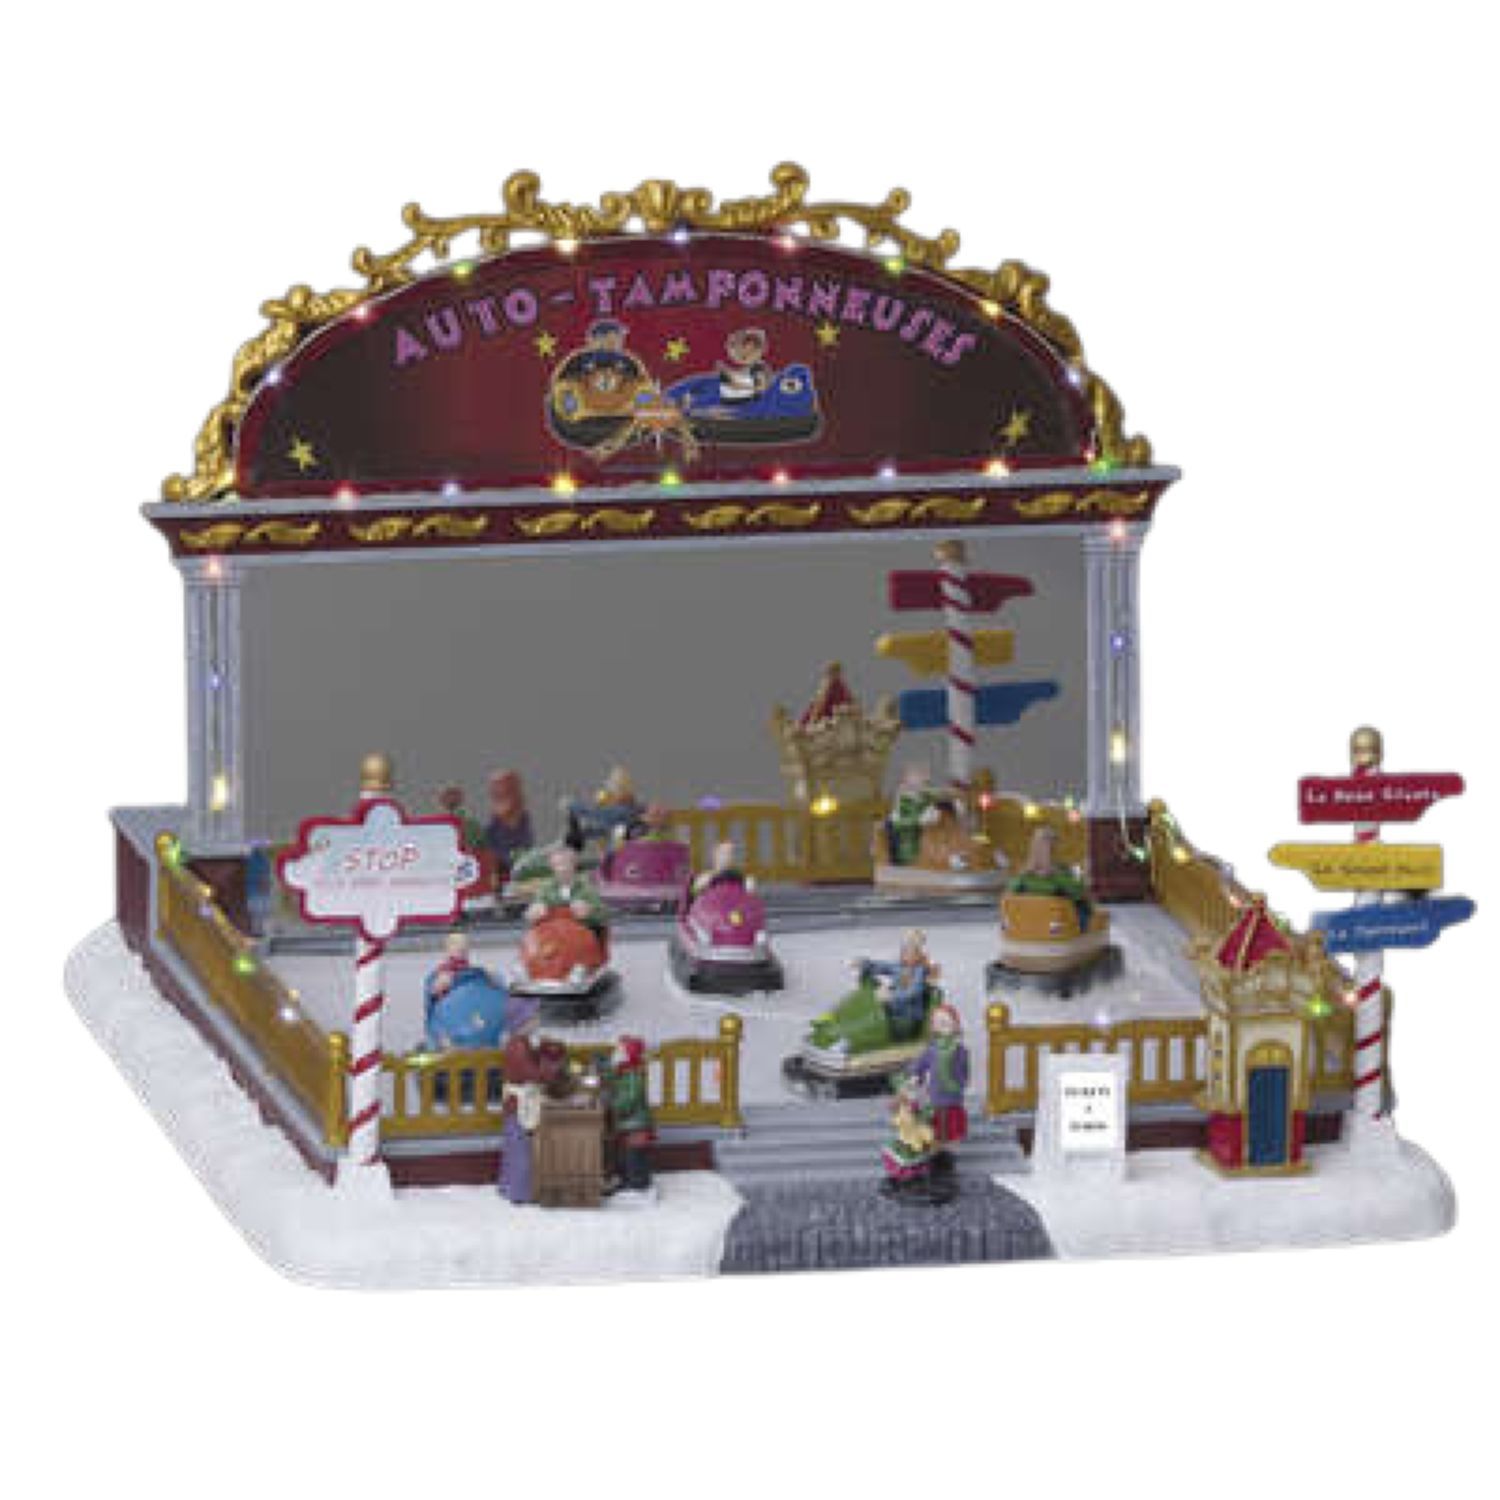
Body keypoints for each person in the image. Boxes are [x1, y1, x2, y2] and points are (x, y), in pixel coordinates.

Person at [904, 1003, 970, 1167]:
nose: (942, 1027)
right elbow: (920, 1063)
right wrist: (915, 1075)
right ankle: (935, 1150)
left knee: (951, 1124)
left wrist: (961, 1083)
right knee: (935, 1123)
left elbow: (964, 1070)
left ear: (955, 1026)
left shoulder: (960, 1049)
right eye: (938, 1023)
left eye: (946, 1023)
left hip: (952, 1095)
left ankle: (948, 1151)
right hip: (934, 1095)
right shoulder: (932, 1049)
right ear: (933, 1027)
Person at [858, 930, 939, 1042]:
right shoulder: (898, 966)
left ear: (918, 954)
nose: (906, 954)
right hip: (895, 1006)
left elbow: (913, 992)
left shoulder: (920, 970)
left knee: (889, 1000)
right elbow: (881, 966)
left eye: (911, 951)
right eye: (904, 950)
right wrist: (865, 963)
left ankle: (897, 1032)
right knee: (870, 978)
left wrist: (891, 997)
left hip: (910, 1014)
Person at [1009, 826, 1093, 932]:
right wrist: (1084, 878)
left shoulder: (1022, 877)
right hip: (1056, 924)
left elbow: (1011, 890)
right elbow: (1078, 890)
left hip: (1024, 925)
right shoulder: (1058, 876)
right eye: (1054, 845)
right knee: (1083, 904)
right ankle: (1084, 930)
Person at [604, 1035, 655, 1196]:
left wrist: (615, 1106)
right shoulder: (622, 1072)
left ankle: (637, 1182)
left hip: (636, 1123)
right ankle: (630, 1179)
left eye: (619, 1052)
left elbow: (632, 1097)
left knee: (635, 1154)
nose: (615, 1055)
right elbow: (611, 1078)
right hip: (628, 1123)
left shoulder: (633, 1074)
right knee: (627, 1152)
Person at [527, 845, 609, 942]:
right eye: (558, 865)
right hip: (553, 940)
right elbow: (532, 914)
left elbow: (604, 915)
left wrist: (589, 912)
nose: (562, 869)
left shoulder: (587, 888)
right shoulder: (545, 889)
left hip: (581, 940)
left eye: (566, 864)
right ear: (552, 867)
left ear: (574, 864)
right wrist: (534, 913)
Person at [886, 764, 942, 866]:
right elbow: (902, 808)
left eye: (919, 777)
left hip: (915, 823)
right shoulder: (903, 790)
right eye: (912, 777)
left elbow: (931, 808)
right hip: (901, 823)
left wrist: (931, 814)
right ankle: (899, 859)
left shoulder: (926, 791)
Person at [484, 769, 534, 885]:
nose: (497, 799)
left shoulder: (523, 824)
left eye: (504, 793)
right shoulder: (491, 829)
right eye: (495, 794)